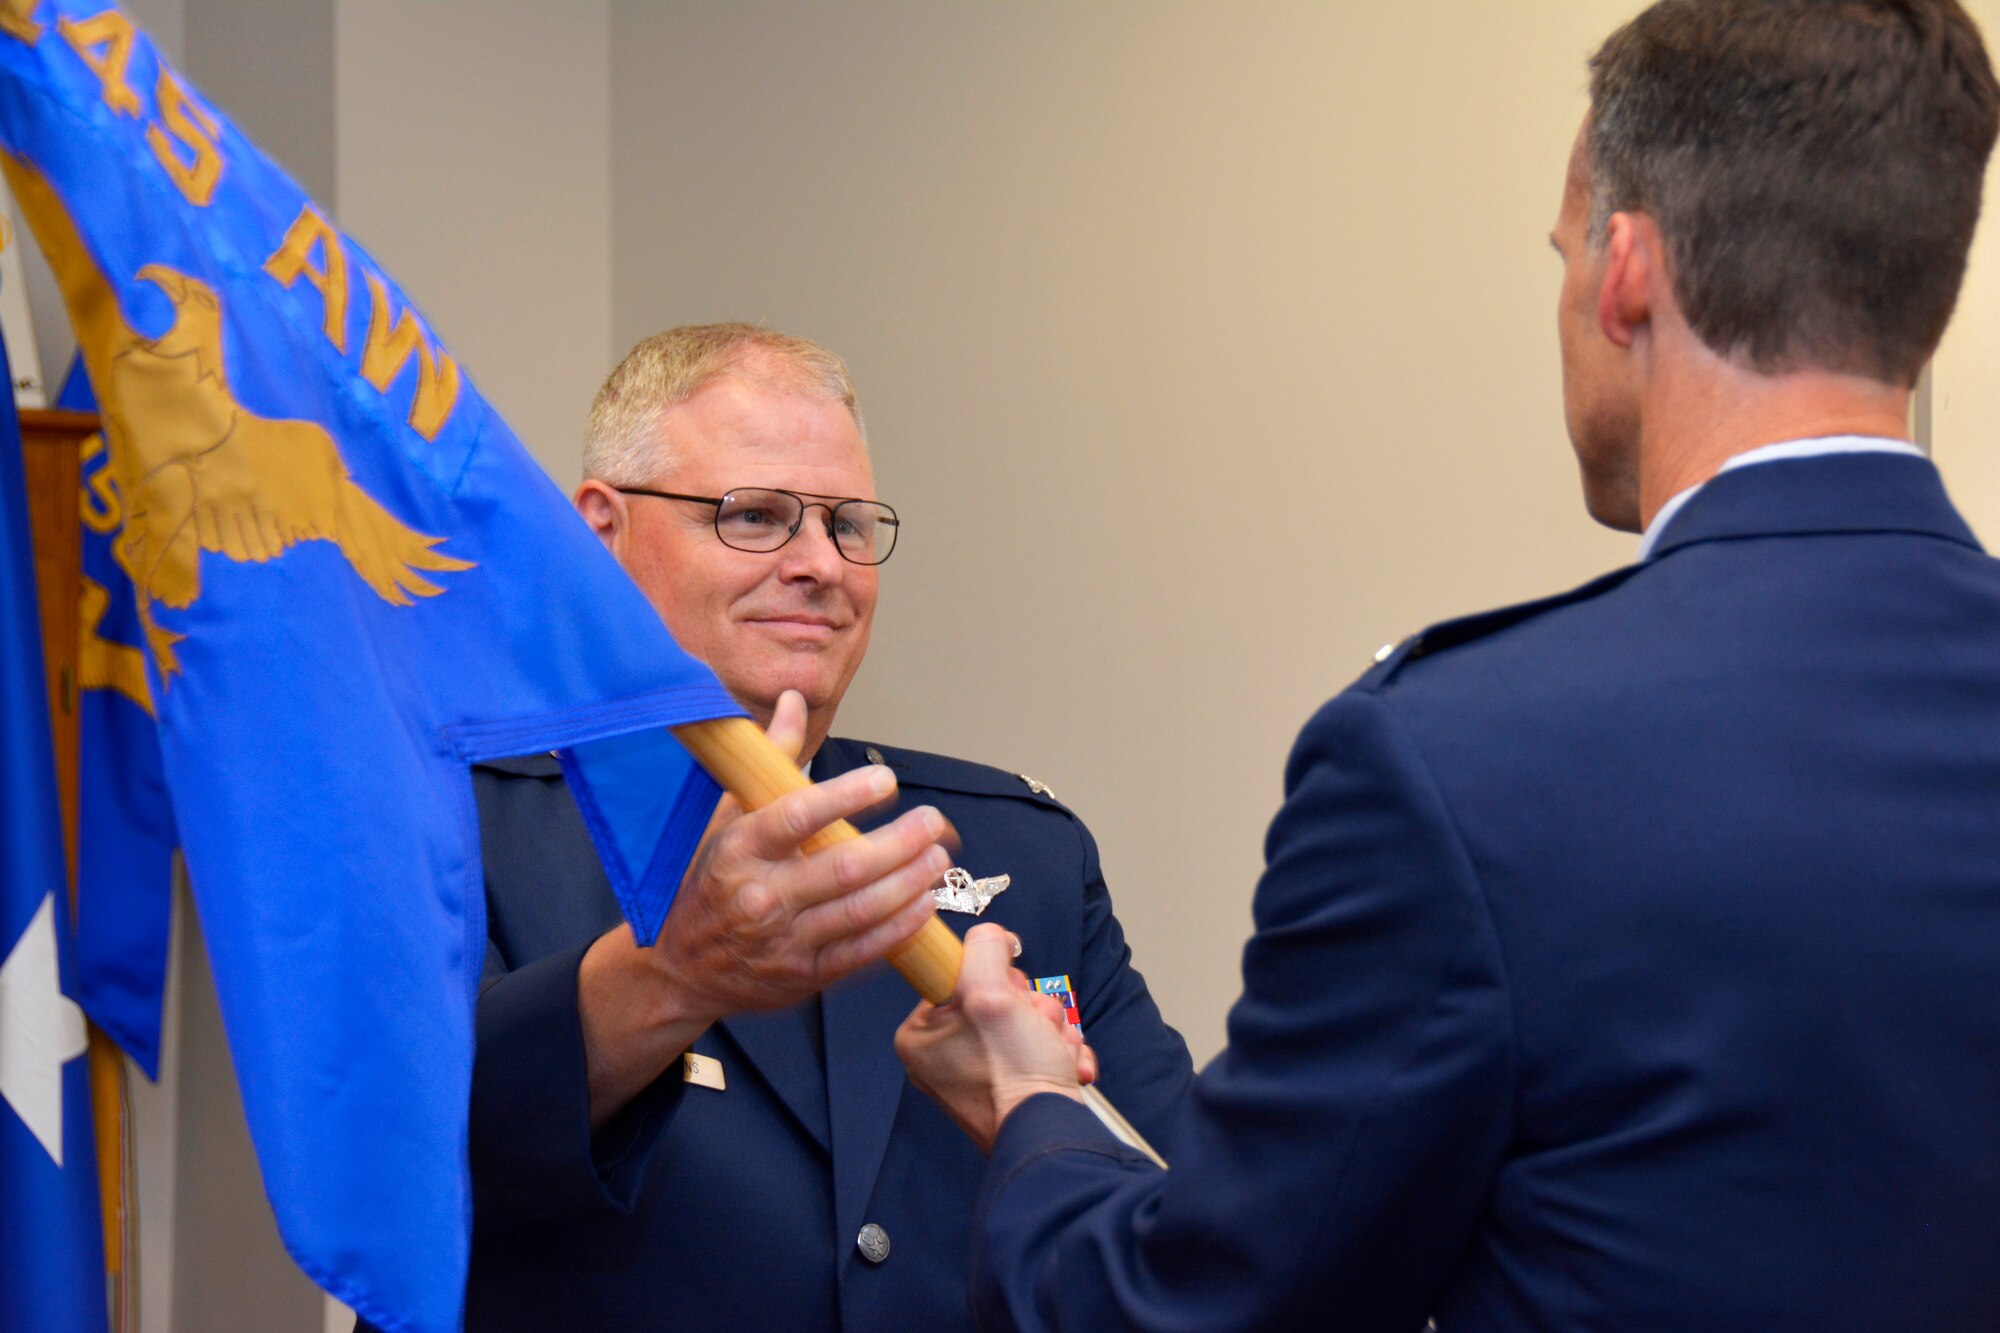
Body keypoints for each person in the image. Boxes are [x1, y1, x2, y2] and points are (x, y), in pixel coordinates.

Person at [895, 2, 2000, 1328]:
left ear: (1626, 271)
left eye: (1561, 255)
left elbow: (1196, 1311)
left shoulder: (1458, 765)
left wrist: (1031, 1114)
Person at [443, 324, 1192, 1331]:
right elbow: (391, 1147)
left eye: (847, 525)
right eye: (754, 515)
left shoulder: (1014, 849)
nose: (819, 564)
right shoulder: (460, 816)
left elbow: (1178, 1215)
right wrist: (672, 976)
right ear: (600, 533)